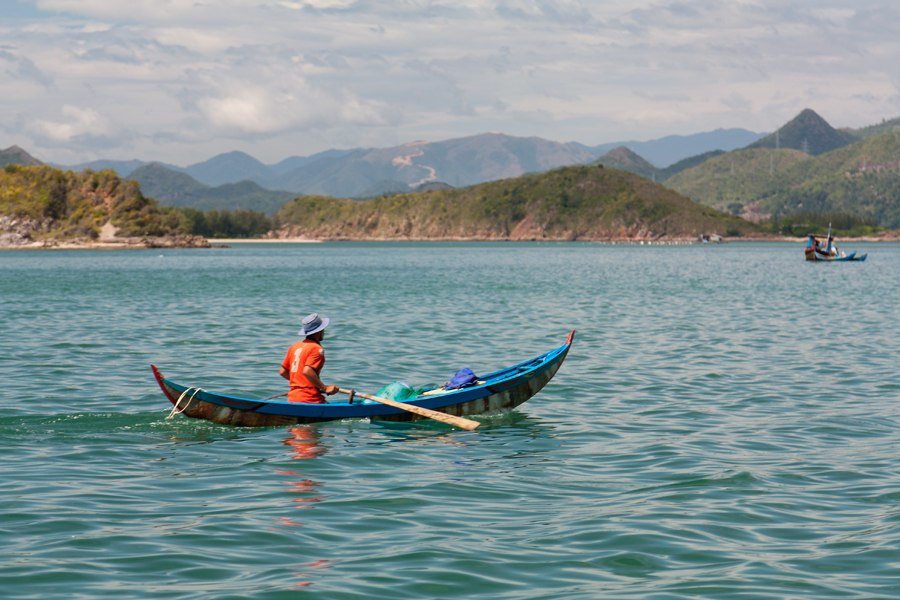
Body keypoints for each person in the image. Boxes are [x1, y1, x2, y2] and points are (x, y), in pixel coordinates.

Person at [280, 313, 339, 403]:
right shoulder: (316, 349)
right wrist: (324, 388)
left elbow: (283, 372)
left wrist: (302, 384)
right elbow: (307, 371)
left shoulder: (294, 347)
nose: (324, 331)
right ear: (318, 331)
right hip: (310, 399)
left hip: (293, 398)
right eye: (322, 329)